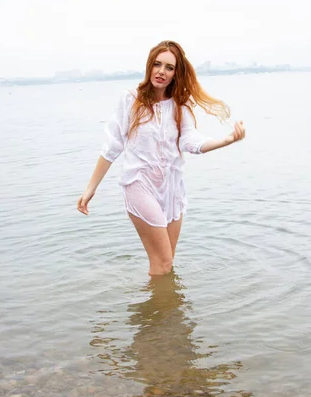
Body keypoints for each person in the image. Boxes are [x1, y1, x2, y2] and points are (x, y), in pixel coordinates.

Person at [77, 40, 245, 276]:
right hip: (140, 184)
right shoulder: (130, 100)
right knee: (163, 262)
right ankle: (158, 312)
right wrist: (90, 189)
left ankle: (163, 311)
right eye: (157, 64)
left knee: (166, 264)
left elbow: (190, 141)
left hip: (172, 190)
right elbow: (112, 146)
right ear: (149, 65)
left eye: (169, 67)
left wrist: (226, 141)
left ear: (177, 73)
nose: (161, 72)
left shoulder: (180, 105)